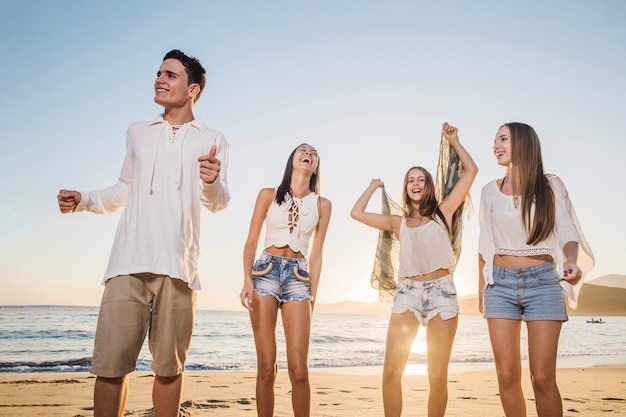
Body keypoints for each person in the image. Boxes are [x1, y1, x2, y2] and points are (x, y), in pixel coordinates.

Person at [57, 49, 230, 417]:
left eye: (170, 75)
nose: (160, 79)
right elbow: (124, 188)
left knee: (168, 370)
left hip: (178, 266)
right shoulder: (137, 132)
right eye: (158, 73)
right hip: (126, 263)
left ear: (193, 88)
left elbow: (217, 201)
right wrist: (84, 199)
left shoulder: (212, 138)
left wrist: (213, 182)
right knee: (110, 367)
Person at [351, 123, 478, 417]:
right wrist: (373, 186)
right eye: (410, 180)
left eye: (421, 179)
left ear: (429, 186)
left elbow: (471, 172)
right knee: (391, 372)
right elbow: (356, 213)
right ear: (406, 188)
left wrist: (454, 141)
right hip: (407, 294)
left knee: (436, 376)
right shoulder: (398, 223)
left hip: (442, 294)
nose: (416, 183)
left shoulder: (443, 212)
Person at [478, 122, 594, 417]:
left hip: (542, 282)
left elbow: (568, 234)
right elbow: (484, 245)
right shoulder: (489, 191)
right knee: (506, 376)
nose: (496, 145)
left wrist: (570, 260)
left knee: (542, 378)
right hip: (499, 287)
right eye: (495, 140)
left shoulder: (550, 186)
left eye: (503, 139)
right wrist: (483, 292)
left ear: (523, 144)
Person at [239, 143, 332, 417]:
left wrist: (312, 296)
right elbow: (251, 241)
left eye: (314, 153)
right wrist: (246, 281)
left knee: (299, 371)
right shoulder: (267, 194)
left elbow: (316, 255)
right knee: (267, 367)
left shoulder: (323, 205)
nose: (309, 154)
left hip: (298, 278)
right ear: (292, 159)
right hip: (265, 274)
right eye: (303, 150)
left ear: (316, 166)